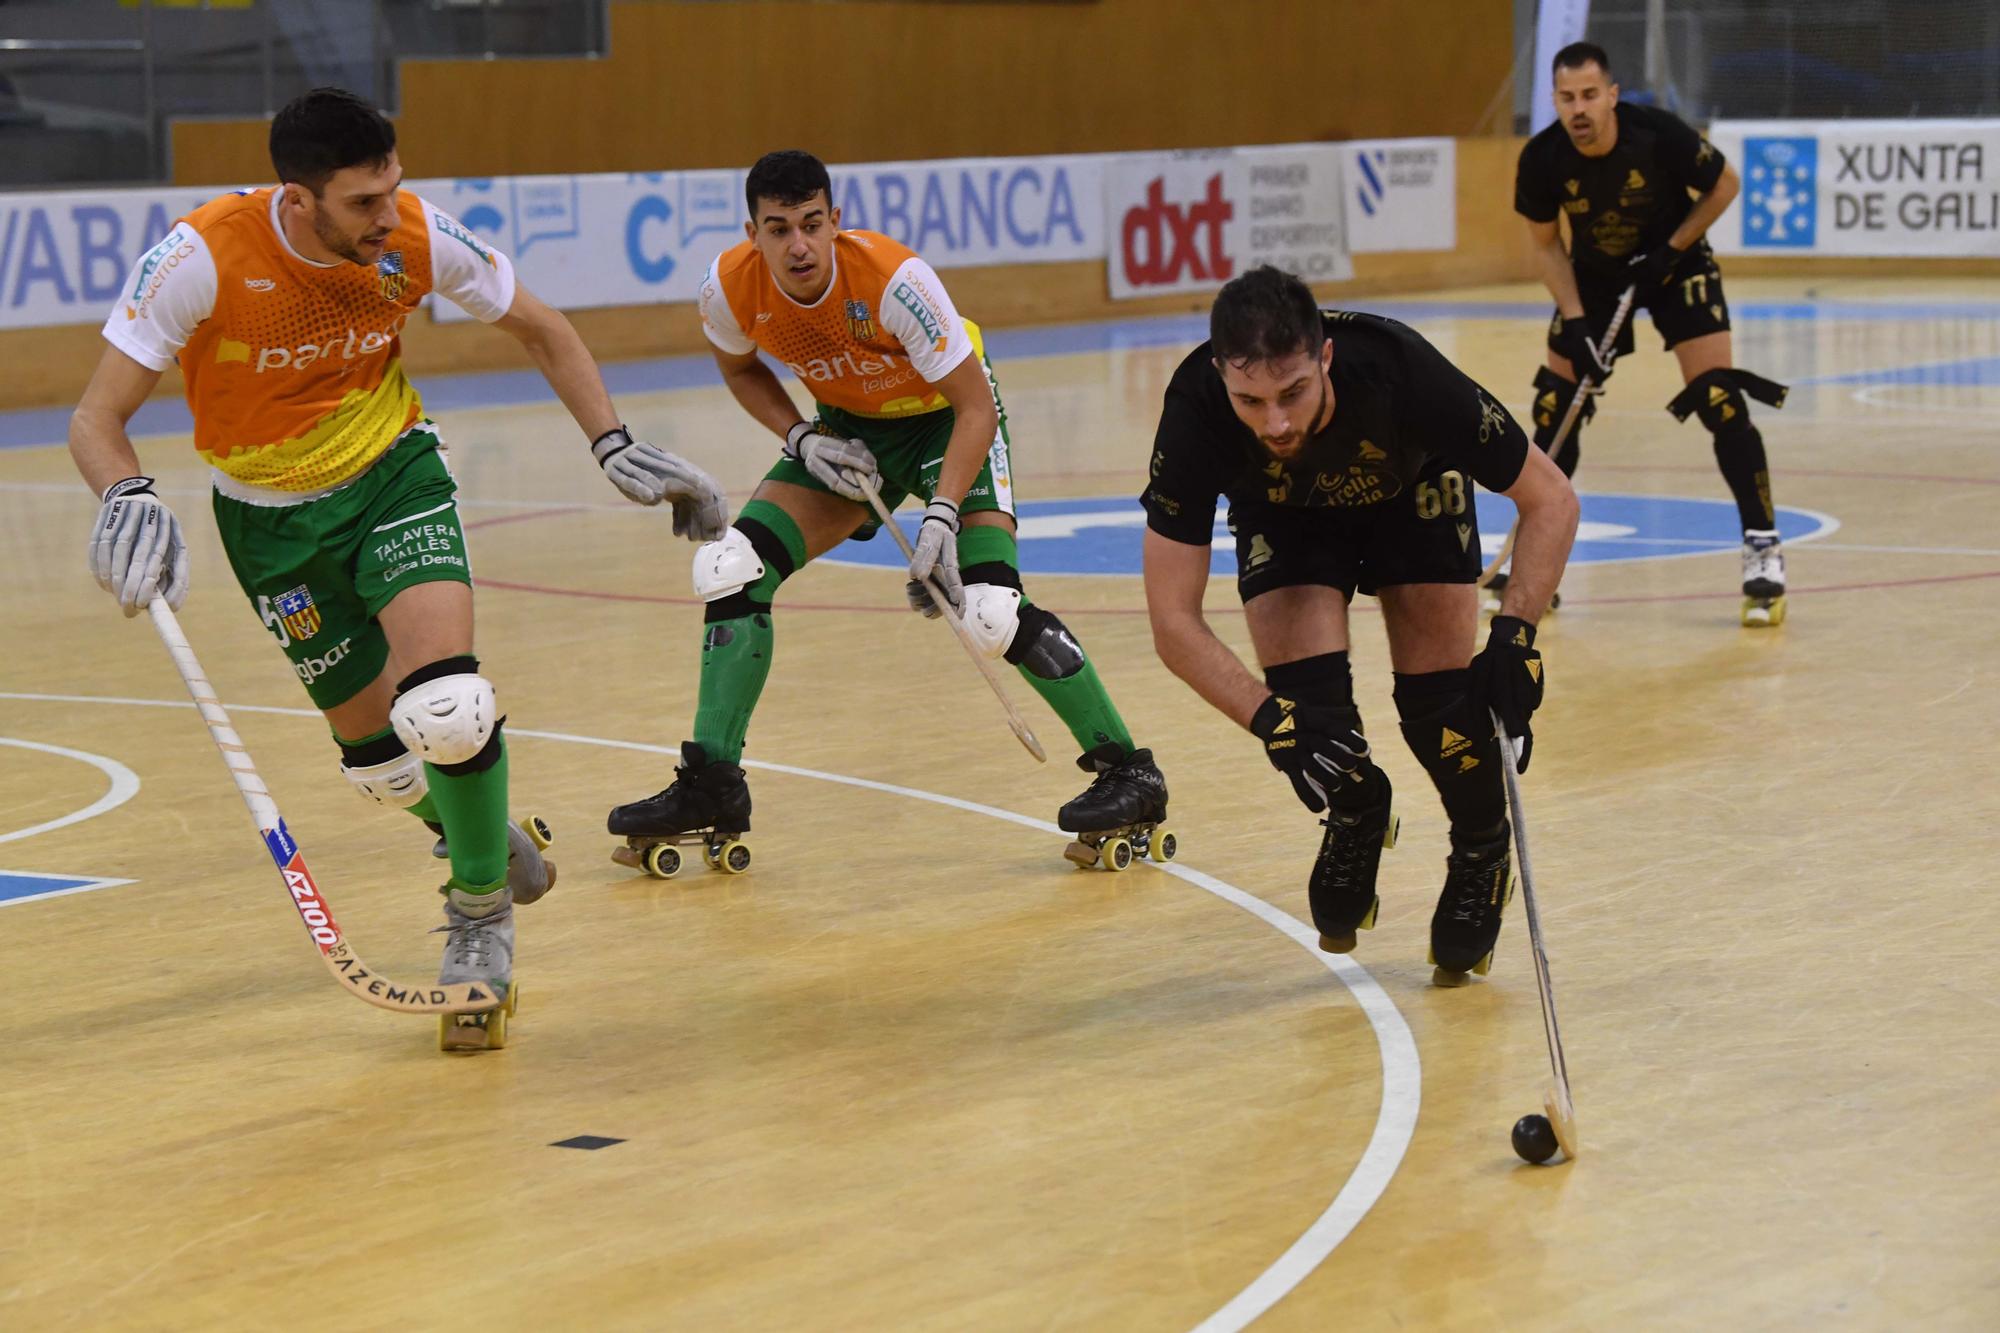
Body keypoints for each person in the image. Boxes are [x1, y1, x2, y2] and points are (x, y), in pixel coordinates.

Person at [69, 87, 726, 1044]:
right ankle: (479, 836)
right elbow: (96, 419)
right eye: (362, 202)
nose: (388, 217)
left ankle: (477, 919)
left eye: (394, 190)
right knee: (378, 764)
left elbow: (541, 326)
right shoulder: (202, 256)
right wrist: (124, 495)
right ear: (299, 199)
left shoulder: (412, 236)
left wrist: (611, 442)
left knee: (446, 707)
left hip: (393, 476)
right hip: (267, 524)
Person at [606, 149, 1167, 869]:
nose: (798, 244)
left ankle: (1130, 771)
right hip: (849, 433)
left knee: (990, 609)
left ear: (835, 220)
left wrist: (939, 515)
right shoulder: (727, 289)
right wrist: (801, 437)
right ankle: (714, 782)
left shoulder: (897, 282)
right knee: (732, 567)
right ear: (753, 233)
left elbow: (973, 407)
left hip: (944, 423)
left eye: (812, 223)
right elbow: (741, 368)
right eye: (778, 229)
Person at [1142, 266, 1577, 984]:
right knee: (1310, 727)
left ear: (1326, 359)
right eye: (1250, 400)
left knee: (1440, 713)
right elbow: (1171, 622)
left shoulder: (1403, 370)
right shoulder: (1194, 410)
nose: (1275, 422)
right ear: (1221, 376)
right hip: (1283, 511)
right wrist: (1264, 718)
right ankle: (1357, 807)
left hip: (1411, 492)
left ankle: (1480, 846)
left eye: (1293, 393)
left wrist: (1516, 634)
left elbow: (1552, 499)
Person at [1513, 40, 1790, 627]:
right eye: (1566, 98)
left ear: (1612, 95)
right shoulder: (1542, 159)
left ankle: (1762, 545)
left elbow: (1725, 185)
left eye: (1590, 95)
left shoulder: (1659, 134)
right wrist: (1579, 321)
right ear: (1555, 102)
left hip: (1677, 265)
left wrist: (1669, 251)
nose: (1579, 109)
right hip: (1594, 279)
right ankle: (1534, 565)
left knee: (1718, 395)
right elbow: (1545, 246)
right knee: (1556, 408)